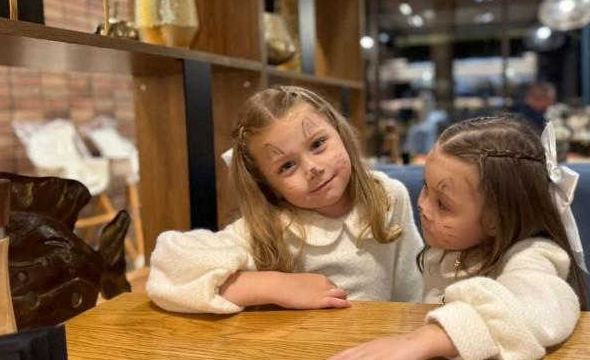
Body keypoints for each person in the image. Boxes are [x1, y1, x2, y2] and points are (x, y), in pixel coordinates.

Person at [311, 115, 588, 360]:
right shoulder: (456, 250)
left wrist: (424, 341)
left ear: (497, 220)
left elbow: (537, 308)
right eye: (425, 187)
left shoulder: (532, 255)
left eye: (443, 204)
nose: (423, 206)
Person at [147, 86, 423, 314]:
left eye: (317, 144)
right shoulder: (270, 226)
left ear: (338, 131)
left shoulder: (388, 197)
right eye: (287, 166)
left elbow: (414, 289)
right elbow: (169, 266)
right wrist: (275, 285)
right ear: (269, 186)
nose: (313, 168)